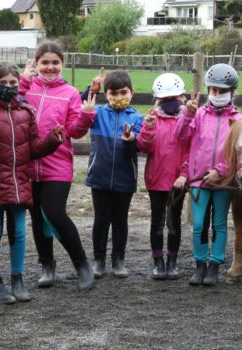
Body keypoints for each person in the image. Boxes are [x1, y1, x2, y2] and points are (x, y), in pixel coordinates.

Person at [0, 62, 64, 304]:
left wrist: (52, 141)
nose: (9, 87)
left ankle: (18, 279)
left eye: (13, 83)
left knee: (19, 232)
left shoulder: (27, 111)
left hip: (19, 181)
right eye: (3, 83)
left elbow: (33, 148)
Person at [17, 41, 95, 290]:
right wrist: (21, 82)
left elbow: (75, 130)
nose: (50, 67)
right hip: (28, 164)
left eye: (55, 63)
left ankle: (81, 264)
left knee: (54, 213)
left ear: (62, 64)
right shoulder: (26, 89)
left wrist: (85, 115)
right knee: (37, 218)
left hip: (57, 164)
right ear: (36, 64)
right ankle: (47, 266)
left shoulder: (70, 93)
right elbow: (9, 106)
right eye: (45, 62)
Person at [175, 63, 242, 286]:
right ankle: (200, 264)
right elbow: (180, 135)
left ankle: (215, 265)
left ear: (231, 92)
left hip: (223, 181)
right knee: (199, 225)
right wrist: (187, 114)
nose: (216, 94)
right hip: (198, 180)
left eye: (221, 91)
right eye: (213, 90)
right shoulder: (199, 115)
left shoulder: (238, 120)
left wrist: (220, 171)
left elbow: (238, 152)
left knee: (220, 223)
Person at [81, 70, 144, 279]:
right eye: (113, 93)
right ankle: (98, 260)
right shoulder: (97, 114)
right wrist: (91, 91)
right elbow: (79, 112)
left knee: (120, 220)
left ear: (131, 93)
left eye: (123, 93)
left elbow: (141, 146)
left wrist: (130, 140)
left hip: (125, 178)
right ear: (106, 94)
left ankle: (119, 259)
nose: (118, 97)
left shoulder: (137, 119)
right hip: (99, 176)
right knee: (101, 220)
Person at [138, 73, 192, 280]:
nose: (170, 103)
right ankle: (158, 263)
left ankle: (172, 263)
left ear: (181, 97)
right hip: (156, 179)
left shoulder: (186, 121)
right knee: (157, 223)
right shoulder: (152, 119)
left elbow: (190, 150)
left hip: (178, 182)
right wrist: (148, 127)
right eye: (165, 99)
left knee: (174, 223)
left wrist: (184, 174)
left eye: (174, 98)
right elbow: (144, 146)